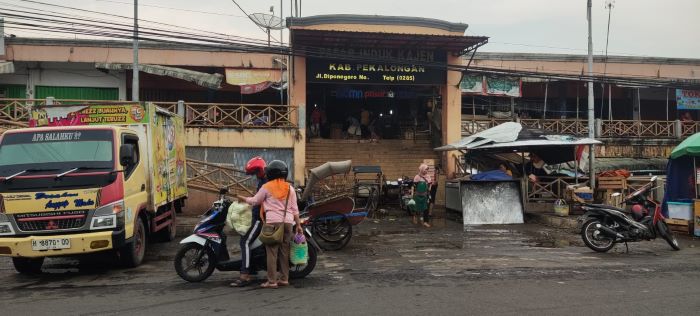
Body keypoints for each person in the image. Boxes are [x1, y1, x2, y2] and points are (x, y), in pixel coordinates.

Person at [237, 160, 302, 289]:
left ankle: (272, 281)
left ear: (270, 173)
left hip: (273, 223)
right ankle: (284, 279)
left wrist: (243, 198)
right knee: (284, 251)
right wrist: (299, 225)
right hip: (288, 222)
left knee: (272, 252)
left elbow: (255, 201)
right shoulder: (290, 188)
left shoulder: (267, 187)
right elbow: (295, 209)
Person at [230, 157, 267, 287]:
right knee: (247, 240)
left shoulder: (265, 182)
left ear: (261, 170)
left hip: (260, 219)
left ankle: (245, 274)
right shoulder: (262, 180)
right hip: (257, 215)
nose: (255, 175)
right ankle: (252, 268)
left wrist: (244, 199)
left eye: (256, 172)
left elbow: (257, 200)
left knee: (245, 241)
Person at [412, 163, 432, 228]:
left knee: (425, 208)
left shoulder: (428, 177)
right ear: (422, 169)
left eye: (427, 170)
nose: (426, 171)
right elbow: (414, 186)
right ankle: (415, 217)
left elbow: (430, 185)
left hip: (425, 195)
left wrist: (429, 190)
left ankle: (424, 221)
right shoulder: (417, 177)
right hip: (417, 195)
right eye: (425, 169)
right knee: (417, 207)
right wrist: (413, 194)